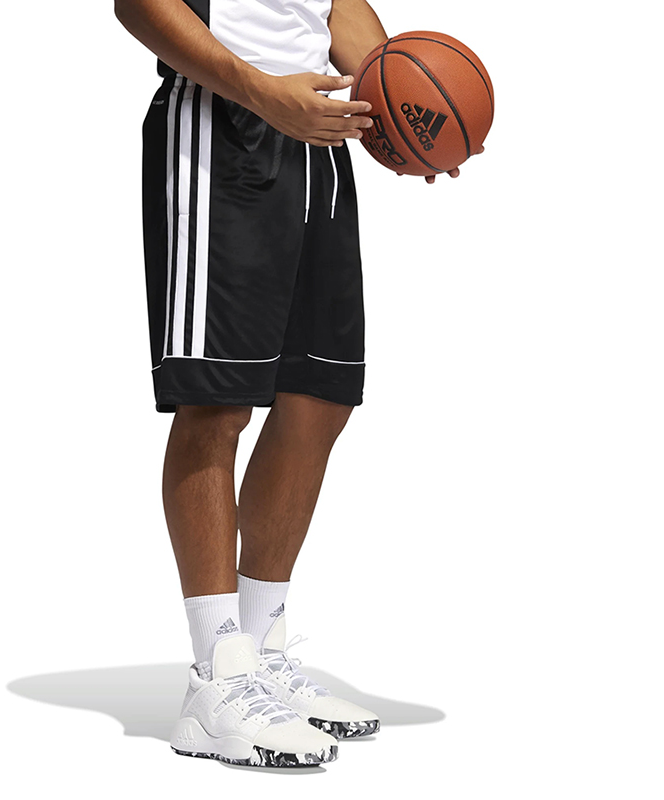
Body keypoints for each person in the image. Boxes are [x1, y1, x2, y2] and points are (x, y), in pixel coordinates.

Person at [114, 0, 459, 768]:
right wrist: (261, 91)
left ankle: (259, 651)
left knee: (318, 398)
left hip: (315, 142)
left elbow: (331, 7)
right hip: (221, 124)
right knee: (217, 401)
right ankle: (217, 679)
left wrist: (403, 101)